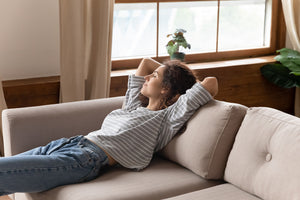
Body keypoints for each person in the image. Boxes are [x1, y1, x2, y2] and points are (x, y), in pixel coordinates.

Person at [0, 58, 218, 196]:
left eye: (155, 78)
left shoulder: (167, 118)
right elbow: (145, 63)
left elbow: (211, 83)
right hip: (66, 144)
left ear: (166, 89)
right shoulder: (134, 106)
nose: (148, 76)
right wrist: (166, 71)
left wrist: (177, 80)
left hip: (84, 160)